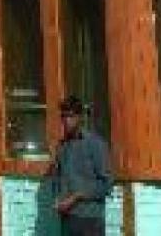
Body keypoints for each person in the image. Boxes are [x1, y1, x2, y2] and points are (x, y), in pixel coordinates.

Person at [52, 95, 112, 234]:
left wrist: (77, 196)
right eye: (63, 116)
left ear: (80, 117)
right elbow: (58, 176)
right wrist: (56, 197)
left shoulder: (95, 144)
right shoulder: (62, 145)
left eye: (71, 116)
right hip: (67, 218)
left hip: (89, 219)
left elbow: (107, 184)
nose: (67, 121)